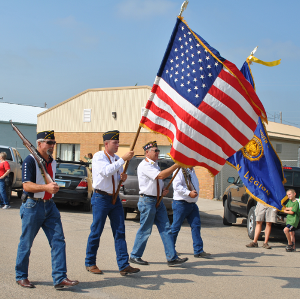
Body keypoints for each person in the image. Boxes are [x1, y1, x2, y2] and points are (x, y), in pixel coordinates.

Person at [15, 131, 79, 289]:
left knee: (58, 241)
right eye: (49, 142)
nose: (52, 146)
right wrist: (46, 187)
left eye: (53, 143)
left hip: (49, 205)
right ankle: (21, 276)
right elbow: (26, 185)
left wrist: (53, 188)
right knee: (26, 243)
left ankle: (60, 277)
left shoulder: (52, 161)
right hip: (32, 205)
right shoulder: (30, 160)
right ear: (39, 144)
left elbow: (49, 183)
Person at [85, 130, 140, 276]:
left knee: (120, 231)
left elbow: (115, 178)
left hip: (114, 198)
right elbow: (105, 172)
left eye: (118, 142)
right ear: (106, 144)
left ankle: (123, 265)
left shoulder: (116, 158)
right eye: (115, 142)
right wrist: (122, 159)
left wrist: (122, 178)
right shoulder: (98, 157)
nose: (117, 145)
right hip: (101, 198)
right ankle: (90, 262)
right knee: (96, 231)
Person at [130, 141, 188, 267]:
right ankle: (135, 255)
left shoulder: (154, 164)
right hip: (147, 201)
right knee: (145, 229)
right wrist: (177, 165)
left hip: (158, 200)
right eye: (155, 151)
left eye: (158, 151)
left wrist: (162, 190)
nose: (157, 153)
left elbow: (157, 180)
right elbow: (160, 176)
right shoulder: (144, 165)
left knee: (166, 228)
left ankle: (172, 257)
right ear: (147, 152)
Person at [171, 167, 211, 258]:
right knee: (175, 227)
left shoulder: (192, 171)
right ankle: (170, 249)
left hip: (192, 204)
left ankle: (198, 250)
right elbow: (176, 186)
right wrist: (188, 193)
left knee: (196, 225)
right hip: (181, 203)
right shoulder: (179, 170)